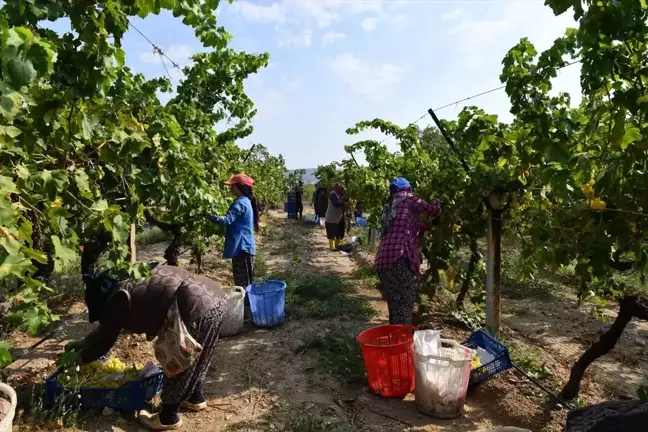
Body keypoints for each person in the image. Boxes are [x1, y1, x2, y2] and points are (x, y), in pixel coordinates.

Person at [57, 264, 228, 431]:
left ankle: (168, 417)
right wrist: (86, 341)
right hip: (214, 298)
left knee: (176, 359)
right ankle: (195, 398)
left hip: (194, 307)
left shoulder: (117, 299)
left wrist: (80, 357)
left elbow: (105, 341)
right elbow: (107, 327)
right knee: (197, 356)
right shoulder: (125, 280)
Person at [374, 177, 442, 325]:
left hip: (383, 261)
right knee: (405, 304)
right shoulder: (409, 199)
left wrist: (430, 225)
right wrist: (438, 202)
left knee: (394, 304)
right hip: (400, 259)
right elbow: (434, 211)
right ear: (408, 189)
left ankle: (394, 338)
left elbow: (412, 228)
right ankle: (400, 341)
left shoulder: (391, 206)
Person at [208, 173, 258, 316]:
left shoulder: (240, 203)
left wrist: (209, 215)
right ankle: (250, 312)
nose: (230, 188)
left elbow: (226, 221)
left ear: (239, 187)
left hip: (241, 248)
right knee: (248, 282)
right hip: (246, 247)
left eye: (232, 186)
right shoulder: (245, 201)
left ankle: (246, 314)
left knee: (242, 283)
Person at [324, 184, 347, 251]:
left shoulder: (342, 195)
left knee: (340, 232)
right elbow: (336, 203)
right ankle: (332, 246)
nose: (343, 188)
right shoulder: (333, 194)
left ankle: (337, 245)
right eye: (341, 187)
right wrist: (344, 203)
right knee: (332, 232)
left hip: (340, 218)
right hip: (332, 218)